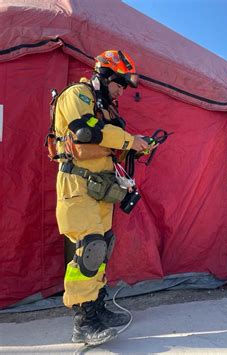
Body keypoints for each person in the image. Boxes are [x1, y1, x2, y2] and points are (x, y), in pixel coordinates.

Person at [51, 50, 150, 345]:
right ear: (103, 75)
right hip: (77, 185)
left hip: (101, 187)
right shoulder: (78, 95)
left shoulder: (105, 108)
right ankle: (84, 321)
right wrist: (130, 140)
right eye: (119, 82)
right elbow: (83, 132)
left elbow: (106, 139)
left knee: (103, 246)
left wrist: (137, 146)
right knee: (89, 247)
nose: (121, 90)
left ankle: (98, 306)